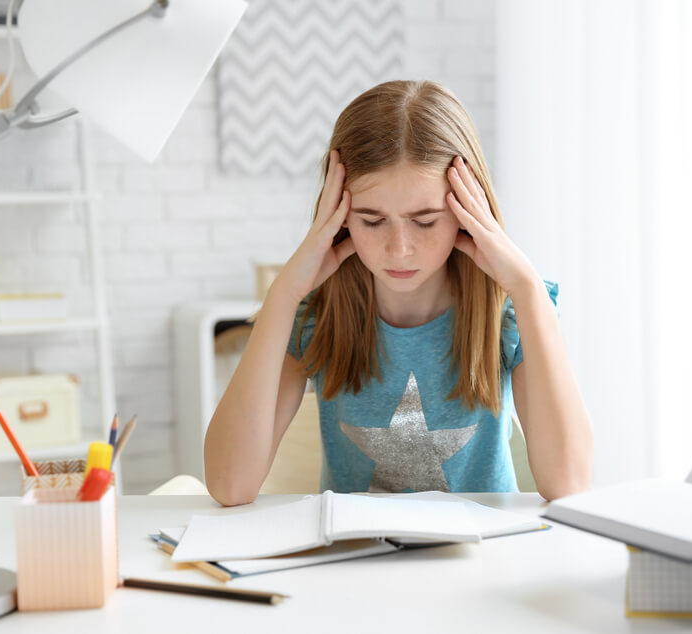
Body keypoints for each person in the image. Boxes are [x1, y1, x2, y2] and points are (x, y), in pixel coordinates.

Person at [204, 80, 592, 506]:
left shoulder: (511, 313)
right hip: (358, 563)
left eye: (425, 221)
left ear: (468, 214)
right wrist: (283, 296)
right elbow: (230, 485)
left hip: (484, 563)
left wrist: (527, 288)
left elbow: (569, 484)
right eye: (371, 220)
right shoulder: (314, 319)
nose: (399, 249)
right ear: (339, 216)